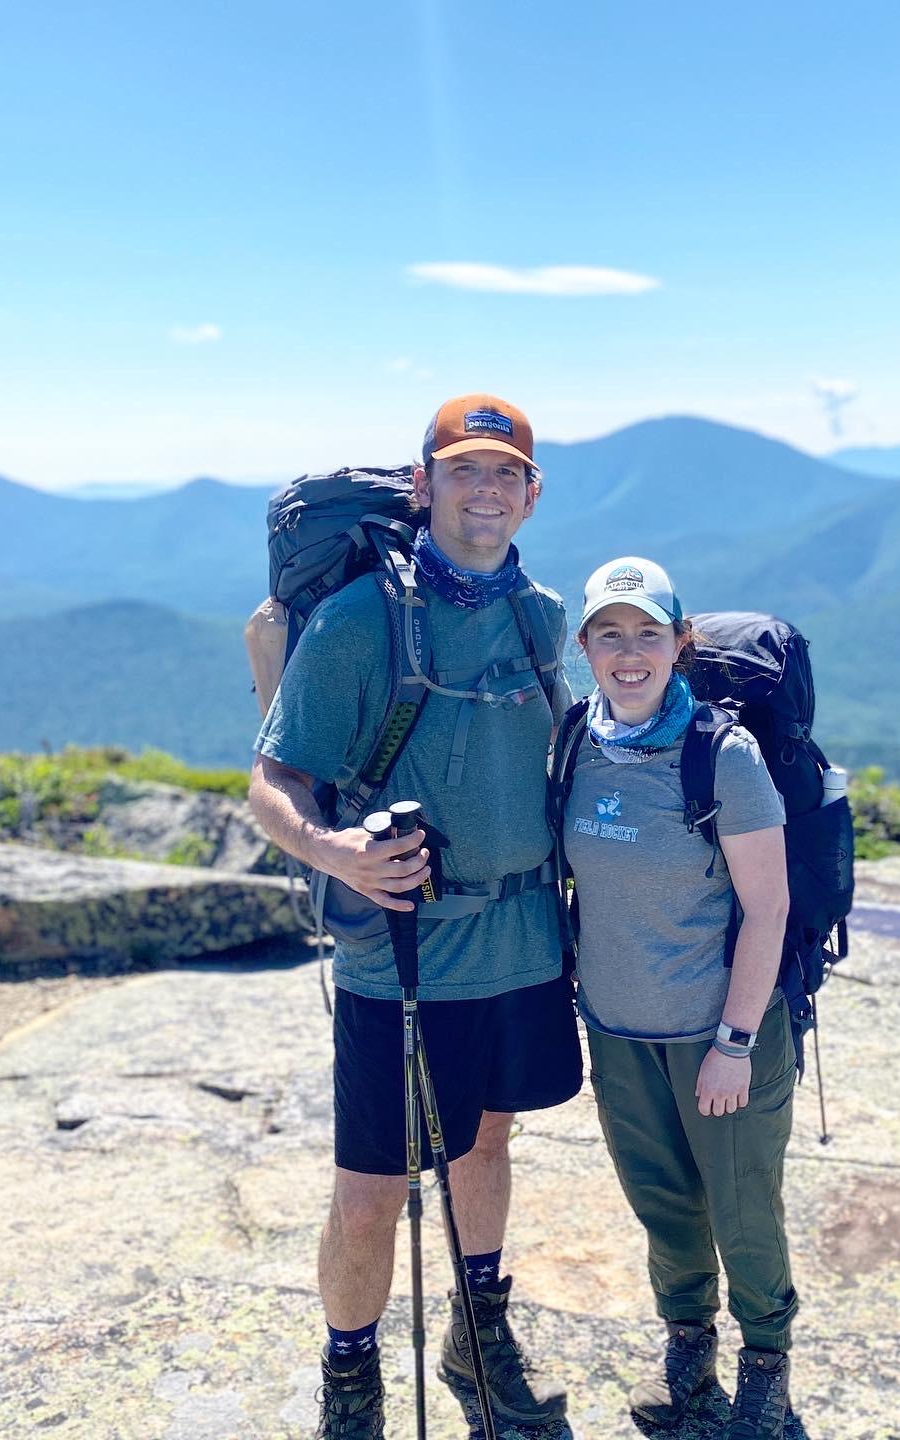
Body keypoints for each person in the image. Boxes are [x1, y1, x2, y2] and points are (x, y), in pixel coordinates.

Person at [249, 394, 581, 1438]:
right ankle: (351, 1379)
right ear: (423, 483)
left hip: (523, 943)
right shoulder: (361, 622)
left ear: (532, 494)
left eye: (505, 473)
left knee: (486, 1143)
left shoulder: (544, 615)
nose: (485, 490)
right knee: (370, 1191)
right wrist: (335, 850)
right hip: (400, 951)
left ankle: (476, 1333)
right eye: (464, 470)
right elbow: (272, 782)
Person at [558, 557, 798, 1440]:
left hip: (717, 1031)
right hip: (618, 1030)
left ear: (680, 643)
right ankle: (688, 1340)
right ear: (584, 646)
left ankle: (766, 1356)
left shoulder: (720, 757)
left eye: (648, 633)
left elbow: (768, 907)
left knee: (742, 1208)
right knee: (662, 1202)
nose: (629, 653)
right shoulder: (576, 740)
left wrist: (735, 1043)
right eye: (609, 634)